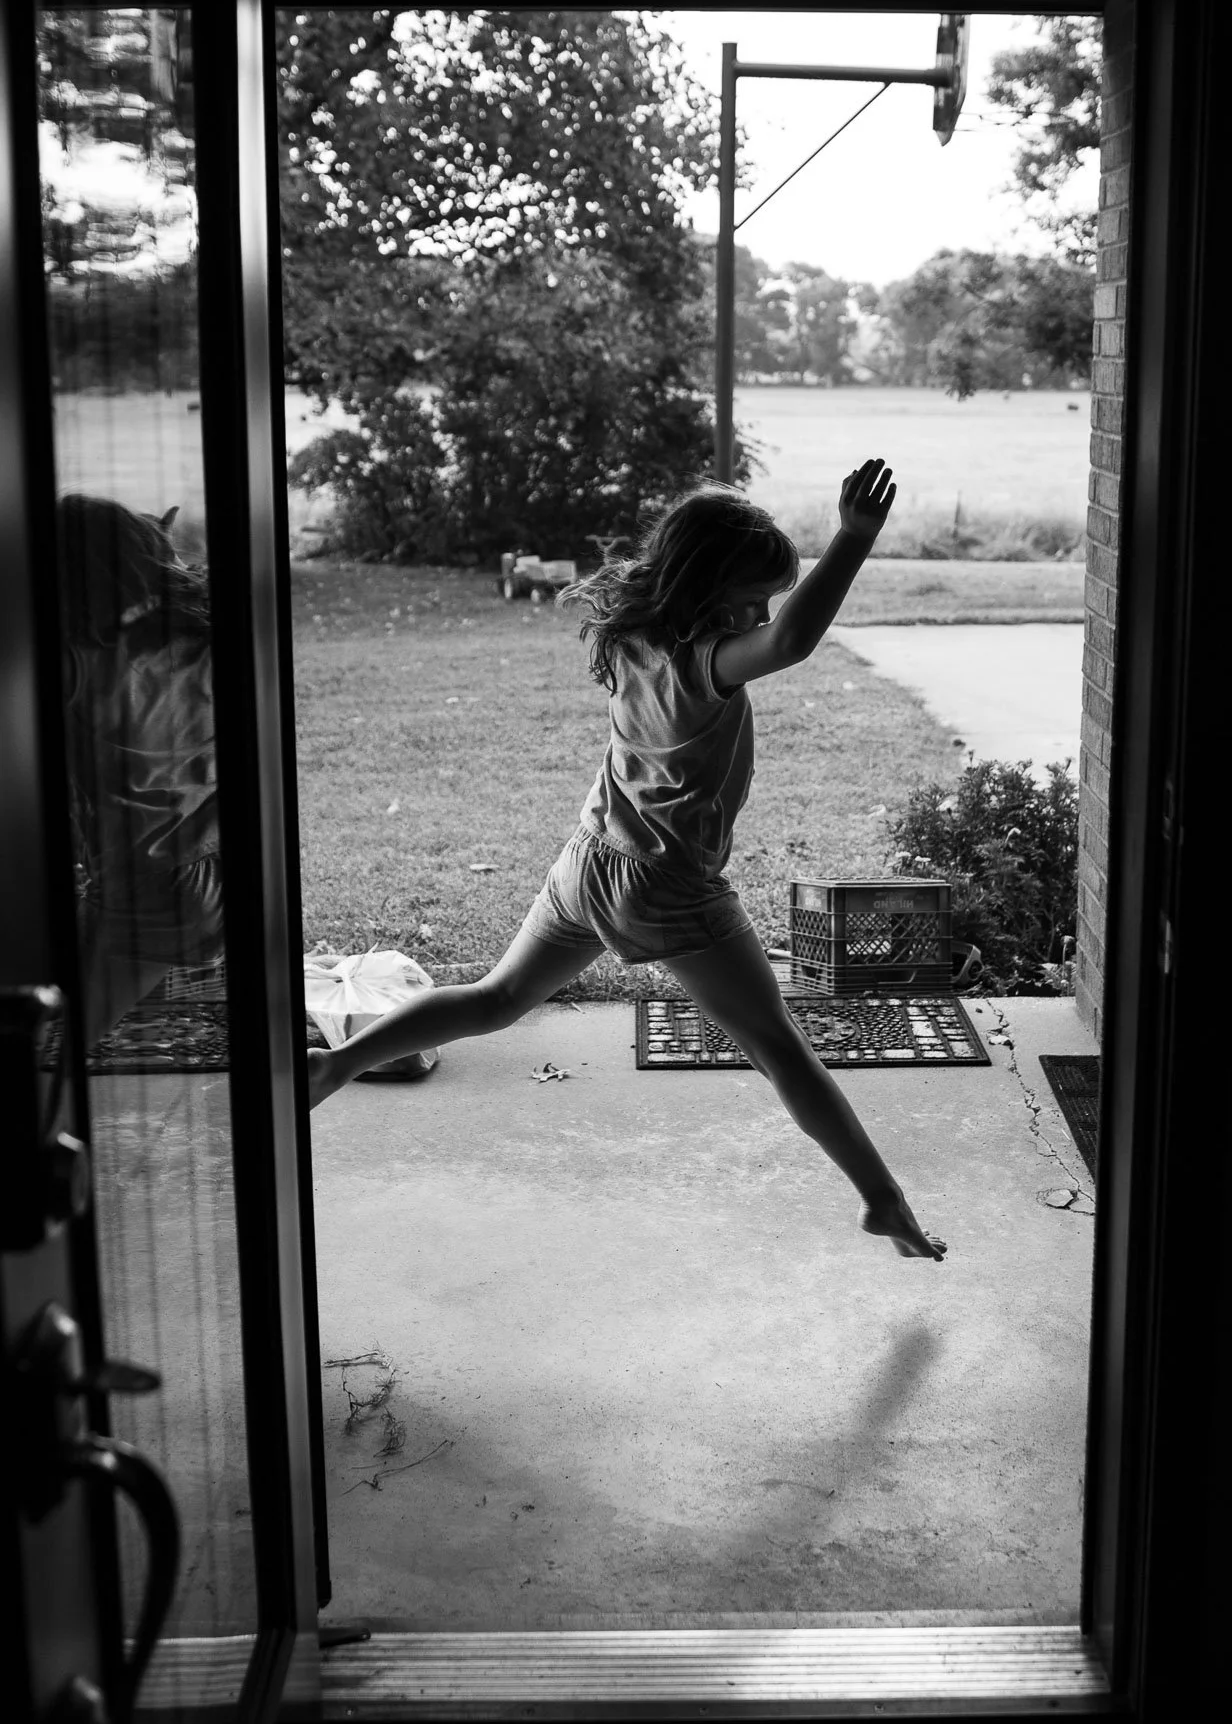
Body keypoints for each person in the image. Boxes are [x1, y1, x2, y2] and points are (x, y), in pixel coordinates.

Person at [308, 461, 946, 1262]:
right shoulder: (707, 660)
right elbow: (792, 642)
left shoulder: (637, 636)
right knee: (779, 1047)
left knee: (499, 996)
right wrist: (853, 538)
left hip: (590, 860)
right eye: (750, 596)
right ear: (706, 585)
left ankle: (337, 1068)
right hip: (665, 885)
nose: (761, 613)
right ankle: (882, 1201)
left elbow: (769, 628)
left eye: (768, 599)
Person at [59, 493, 224, 1044]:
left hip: (147, 884)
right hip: (220, 867)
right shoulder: (198, 631)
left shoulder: (80, 656)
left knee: (60, 1049)